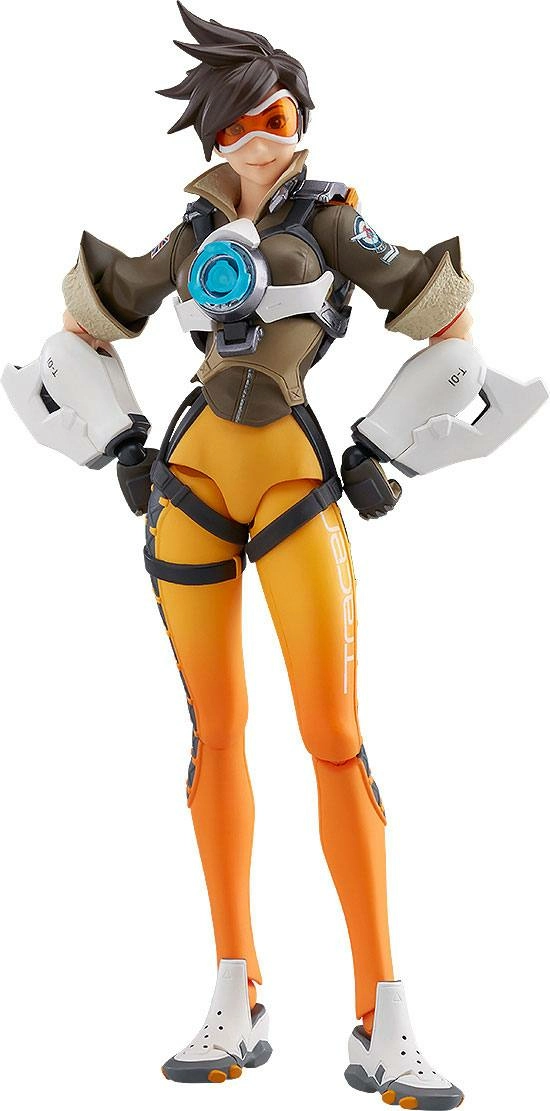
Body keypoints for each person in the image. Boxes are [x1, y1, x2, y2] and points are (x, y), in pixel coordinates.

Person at [52, 5, 476, 1105]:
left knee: (333, 736)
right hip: (190, 481)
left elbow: (446, 323)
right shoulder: (191, 230)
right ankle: (234, 989)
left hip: (294, 481)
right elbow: (86, 325)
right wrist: (119, 441)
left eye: (272, 117)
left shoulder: (333, 221)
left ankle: (383, 1013)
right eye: (232, 122)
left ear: (301, 121)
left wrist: (386, 448)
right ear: (210, 133)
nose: (251, 138)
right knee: (216, 731)